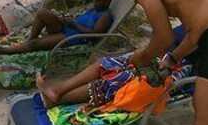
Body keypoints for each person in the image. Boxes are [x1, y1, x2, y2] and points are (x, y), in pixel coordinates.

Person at [36, 23, 197, 108]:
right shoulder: (189, 23)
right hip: (158, 60)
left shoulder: (205, 33)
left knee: (118, 78)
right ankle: (59, 89)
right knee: (106, 63)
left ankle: (57, 100)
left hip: (173, 74)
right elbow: (162, 43)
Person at [0, 0, 114, 55]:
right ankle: (30, 41)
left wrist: (74, 24)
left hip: (73, 37)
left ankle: (4, 50)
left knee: (36, 43)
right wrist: (68, 20)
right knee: (43, 13)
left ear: (107, 2)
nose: (96, 2)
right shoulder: (95, 9)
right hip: (69, 28)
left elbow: (95, 34)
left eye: (100, 0)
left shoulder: (105, 16)